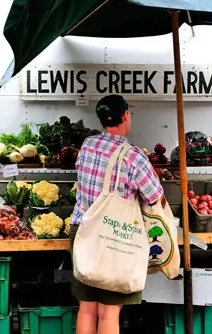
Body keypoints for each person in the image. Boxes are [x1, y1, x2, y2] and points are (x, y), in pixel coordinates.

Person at [70, 94, 165, 334]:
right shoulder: (134, 157)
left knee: (86, 308)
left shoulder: (88, 145)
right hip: (114, 238)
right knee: (109, 313)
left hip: (83, 231)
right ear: (125, 116)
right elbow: (154, 196)